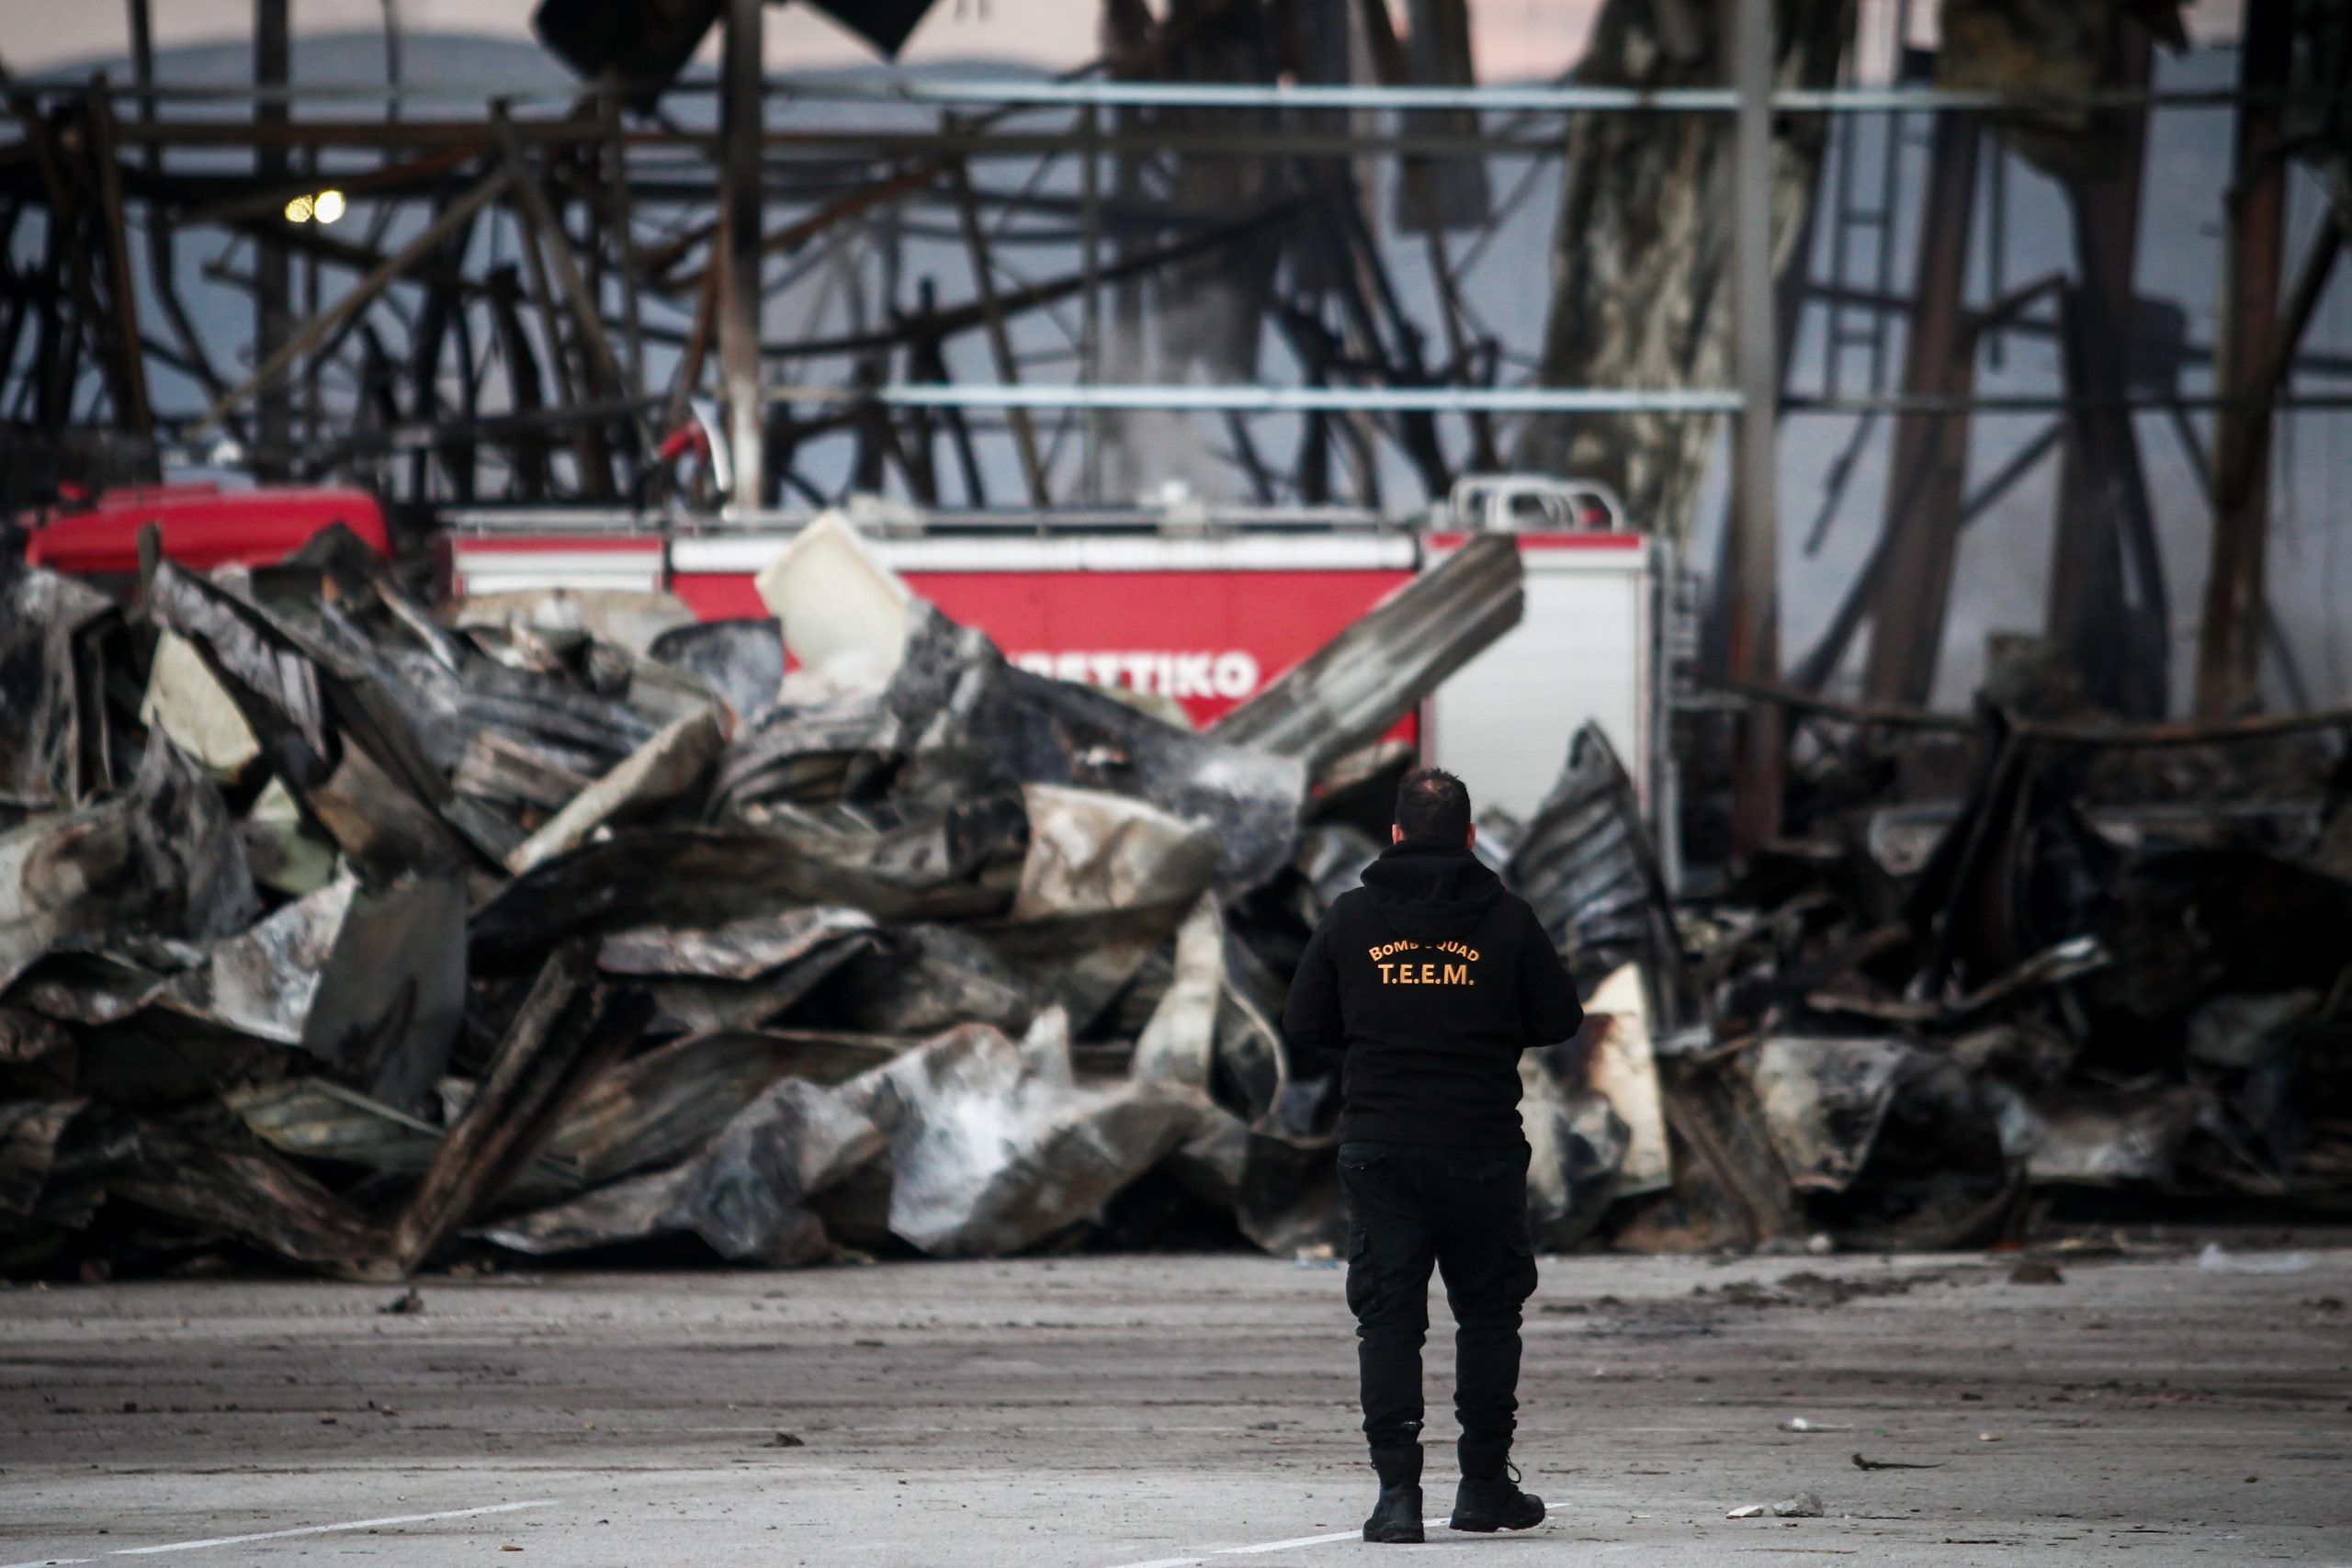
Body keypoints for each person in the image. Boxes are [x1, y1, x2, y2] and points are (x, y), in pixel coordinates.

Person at [1281, 767, 1584, 1544]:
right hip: (1479, 1146)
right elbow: (1559, 1017)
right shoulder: (1508, 918)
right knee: (1487, 1314)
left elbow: (1304, 1019)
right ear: (1471, 837)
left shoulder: (1350, 918)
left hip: (1380, 1146)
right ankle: (1483, 1487)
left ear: (1395, 835)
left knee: (1388, 1321)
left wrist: (1380, 1021)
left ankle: (1396, 1498)